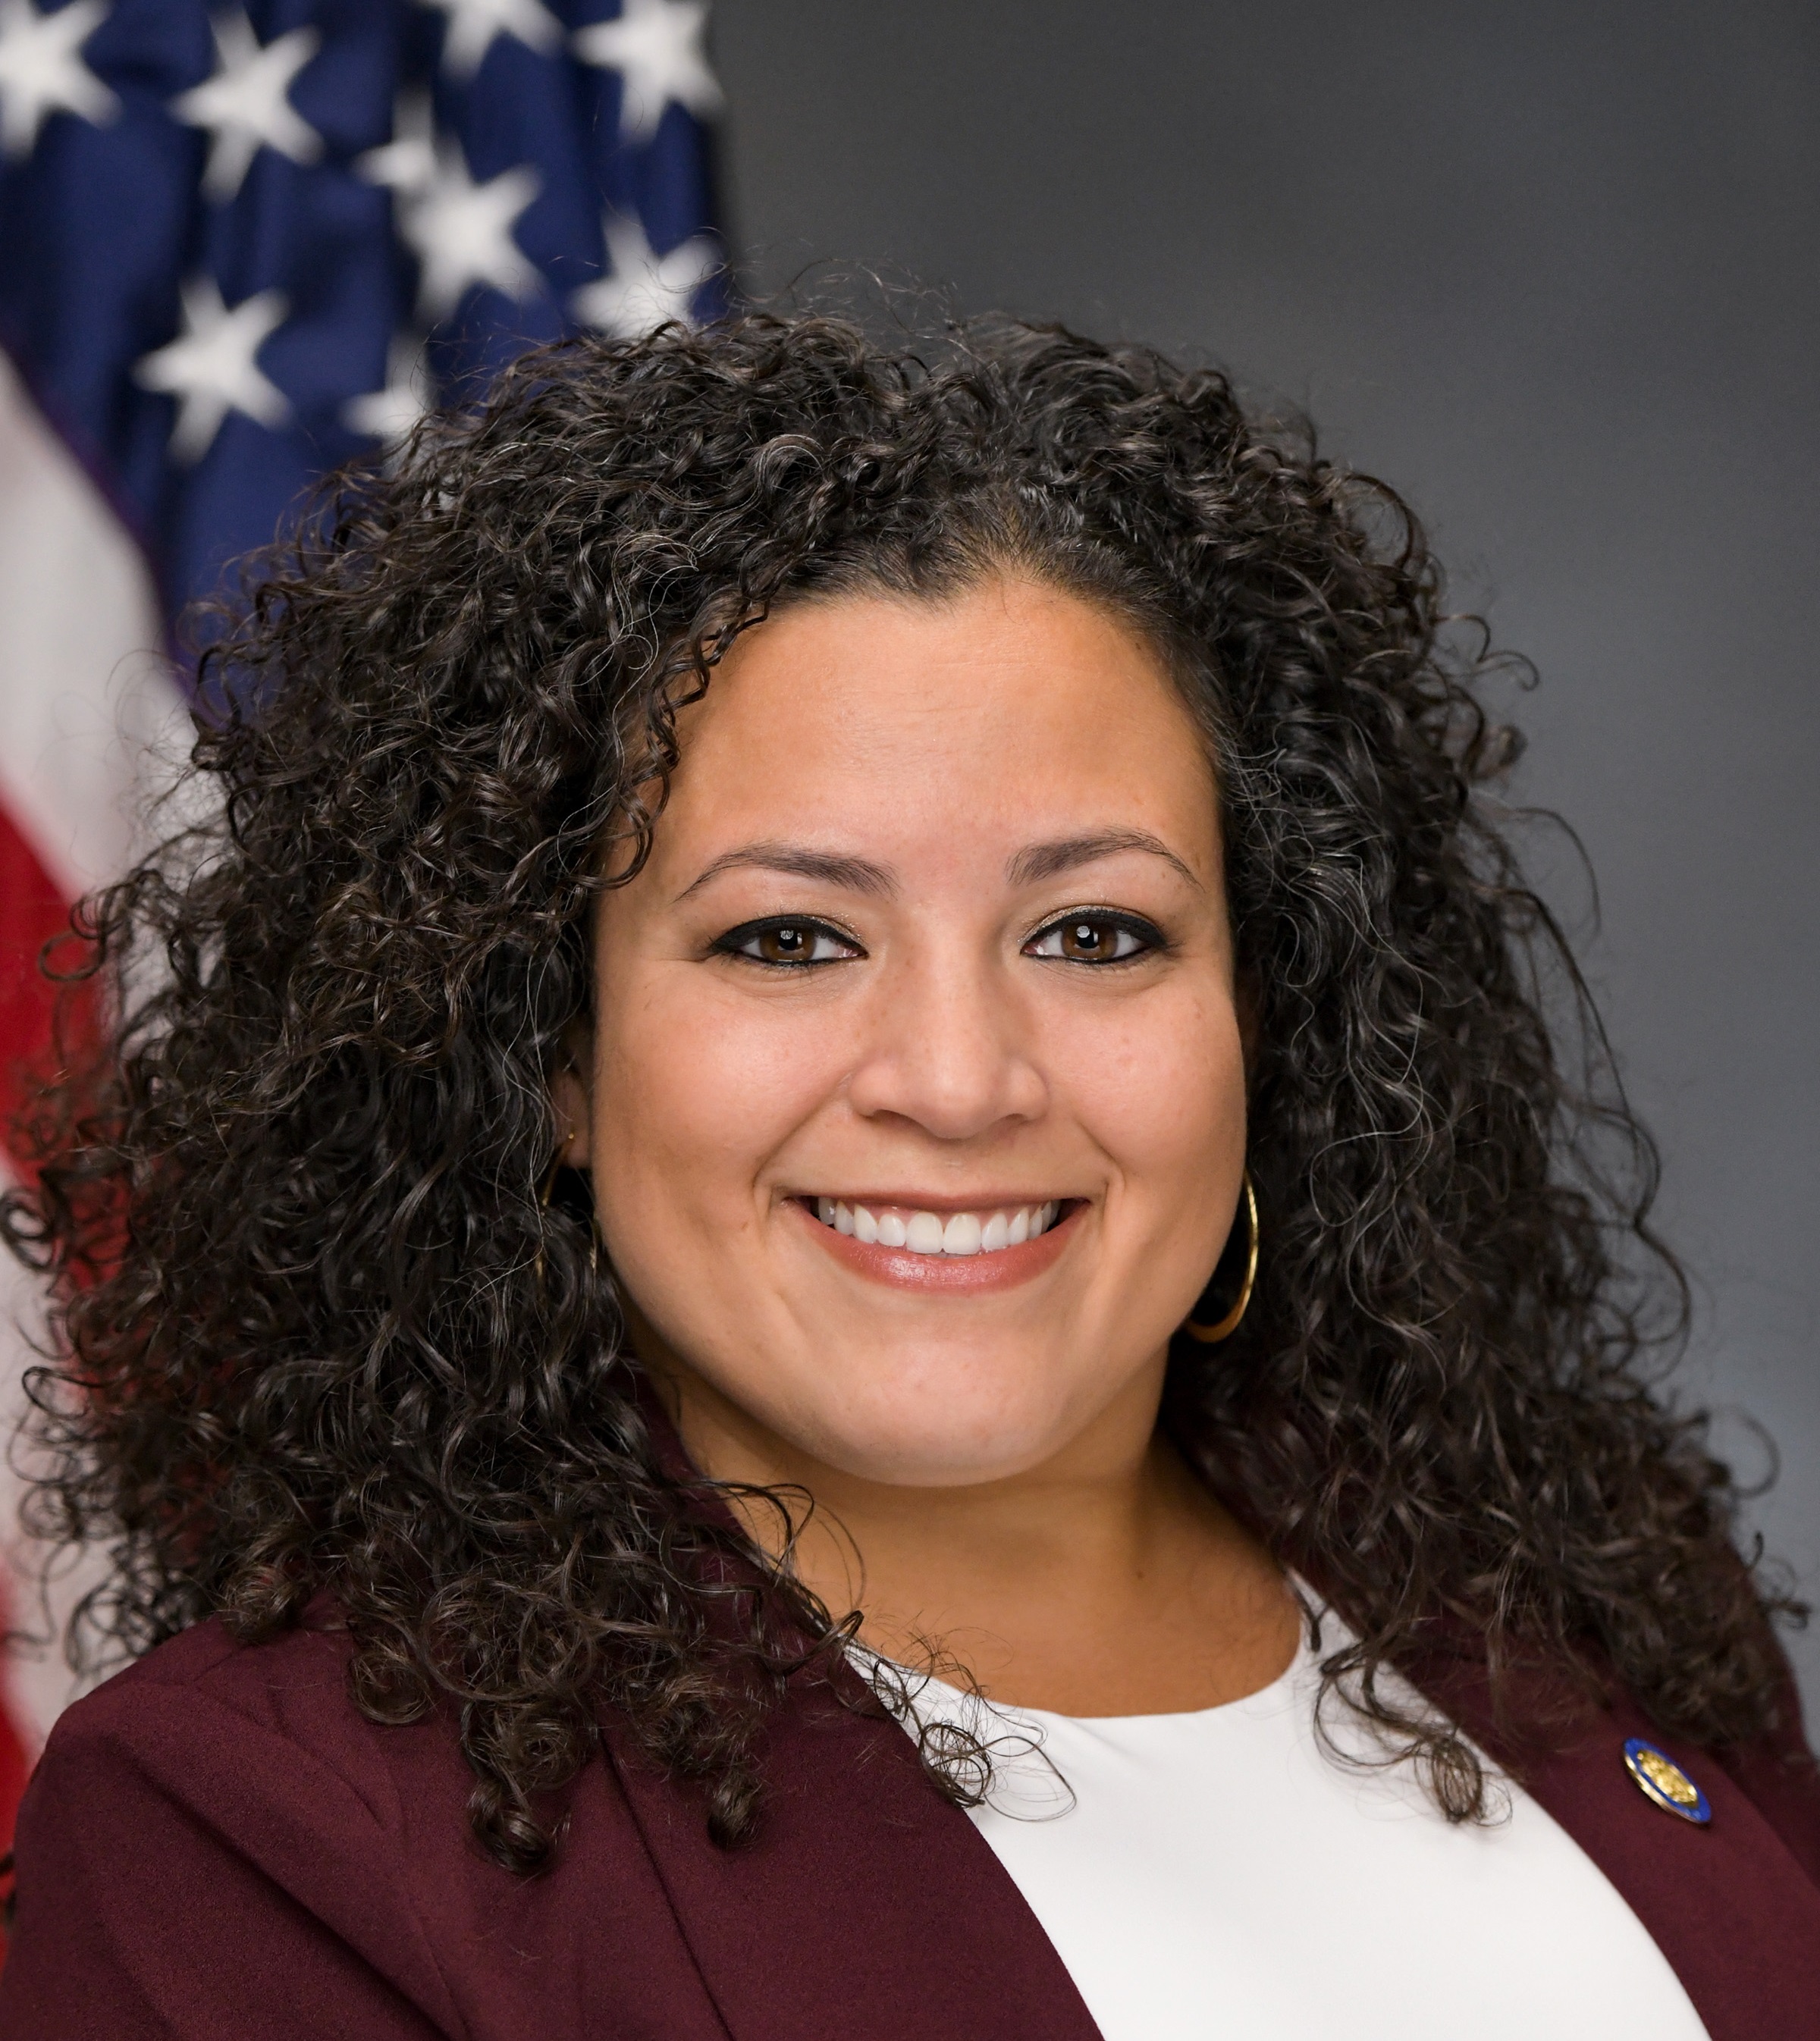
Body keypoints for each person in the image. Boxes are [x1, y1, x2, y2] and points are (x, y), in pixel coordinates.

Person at [1, 310, 1815, 2040]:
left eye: (1095, 931)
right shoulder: (263, 1827)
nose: (957, 1081)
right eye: (788, 938)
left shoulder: (1578, 1589)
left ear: (1266, 1018)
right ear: (550, 1055)